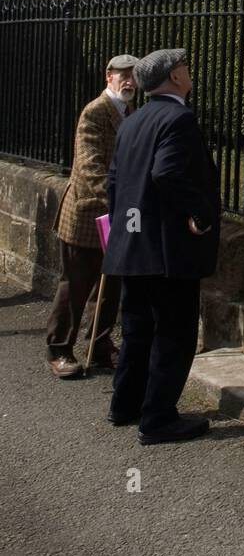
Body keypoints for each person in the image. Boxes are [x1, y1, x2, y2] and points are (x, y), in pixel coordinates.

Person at [103, 47, 220, 445]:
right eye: (185, 69)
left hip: (131, 247)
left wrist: (122, 230)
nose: (189, 73)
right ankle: (158, 419)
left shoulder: (132, 122)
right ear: (174, 78)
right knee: (174, 332)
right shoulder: (179, 118)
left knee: (137, 329)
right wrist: (199, 213)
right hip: (167, 250)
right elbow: (166, 172)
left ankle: (125, 405)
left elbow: (114, 184)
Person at [46, 54, 139, 378]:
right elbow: (90, 166)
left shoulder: (130, 112)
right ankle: (59, 349)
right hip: (87, 214)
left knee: (110, 286)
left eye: (133, 75)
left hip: (116, 214)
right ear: (108, 77)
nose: (129, 81)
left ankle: (100, 346)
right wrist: (117, 199)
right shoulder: (95, 112)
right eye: (122, 75)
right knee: (76, 284)